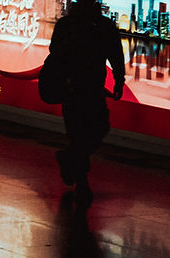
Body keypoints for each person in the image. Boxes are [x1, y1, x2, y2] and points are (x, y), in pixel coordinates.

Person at [49, 0, 125, 194]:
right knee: (92, 130)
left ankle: (70, 160)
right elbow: (116, 55)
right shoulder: (102, 26)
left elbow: (54, 52)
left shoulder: (68, 24)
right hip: (81, 86)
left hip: (75, 87)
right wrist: (118, 79)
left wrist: (118, 78)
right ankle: (80, 181)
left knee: (83, 132)